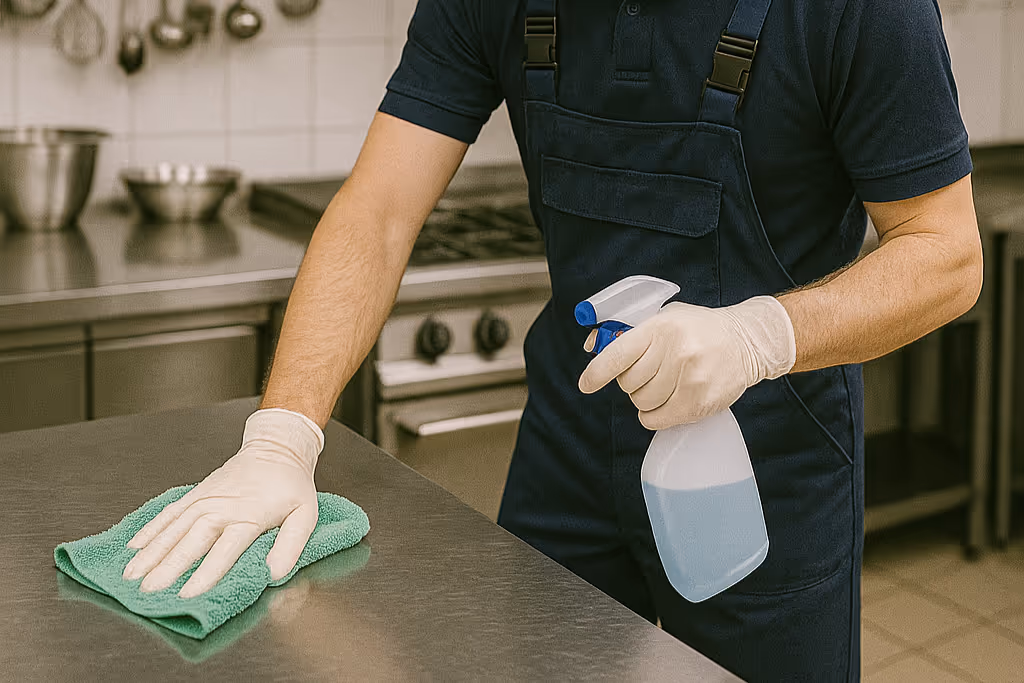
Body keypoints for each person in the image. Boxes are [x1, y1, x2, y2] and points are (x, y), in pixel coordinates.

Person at [119, 0, 983, 679]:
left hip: (767, 463)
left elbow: (946, 255)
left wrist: (761, 334)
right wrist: (282, 435)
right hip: (570, 447)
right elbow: (377, 209)